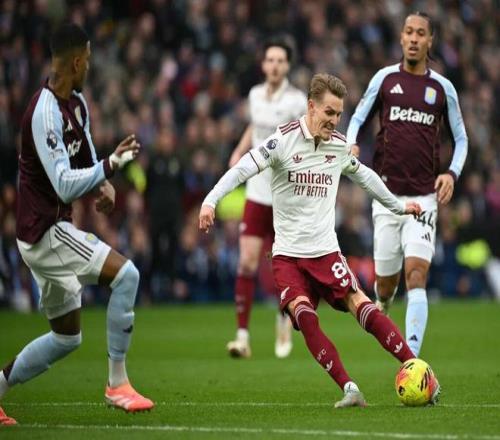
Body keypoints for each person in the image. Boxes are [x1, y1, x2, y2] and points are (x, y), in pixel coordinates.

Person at [199, 73, 437, 407]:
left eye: (338, 114)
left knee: (360, 303)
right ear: (311, 107)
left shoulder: (338, 146)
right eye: (329, 112)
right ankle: (350, 389)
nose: (334, 120)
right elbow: (241, 170)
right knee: (304, 316)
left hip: (325, 252)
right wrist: (210, 200)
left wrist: (398, 207)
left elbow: (365, 176)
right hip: (287, 256)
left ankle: (420, 369)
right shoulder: (282, 141)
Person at [0, 23, 153, 426]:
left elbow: (84, 156)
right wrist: (111, 165)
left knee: (66, 338)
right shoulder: (44, 113)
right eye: (87, 58)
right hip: (45, 231)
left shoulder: (77, 103)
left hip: (44, 231)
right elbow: (64, 184)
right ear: (76, 62)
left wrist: (103, 183)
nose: (90, 65)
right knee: (128, 276)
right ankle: (117, 385)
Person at [346, 12, 468, 357]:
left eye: (421, 33)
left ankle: (412, 359)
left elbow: (461, 139)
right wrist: (351, 144)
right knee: (385, 285)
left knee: (416, 275)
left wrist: (451, 173)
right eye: (409, 32)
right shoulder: (384, 79)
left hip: (424, 198)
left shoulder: (442, 88)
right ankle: (383, 303)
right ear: (401, 38)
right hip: (386, 197)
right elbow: (357, 118)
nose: (414, 38)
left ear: (430, 41)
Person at [226, 40, 307, 359]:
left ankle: (283, 318)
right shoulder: (255, 95)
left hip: (285, 195)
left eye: (280, 60)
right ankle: (242, 337)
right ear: (263, 65)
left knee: (281, 265)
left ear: (287, 66)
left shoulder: (297, 101)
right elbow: (255, 127)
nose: (274, 65)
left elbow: (305, 136)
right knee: (247, 260)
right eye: (270, 60)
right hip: (257, 192)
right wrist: (239, 150)